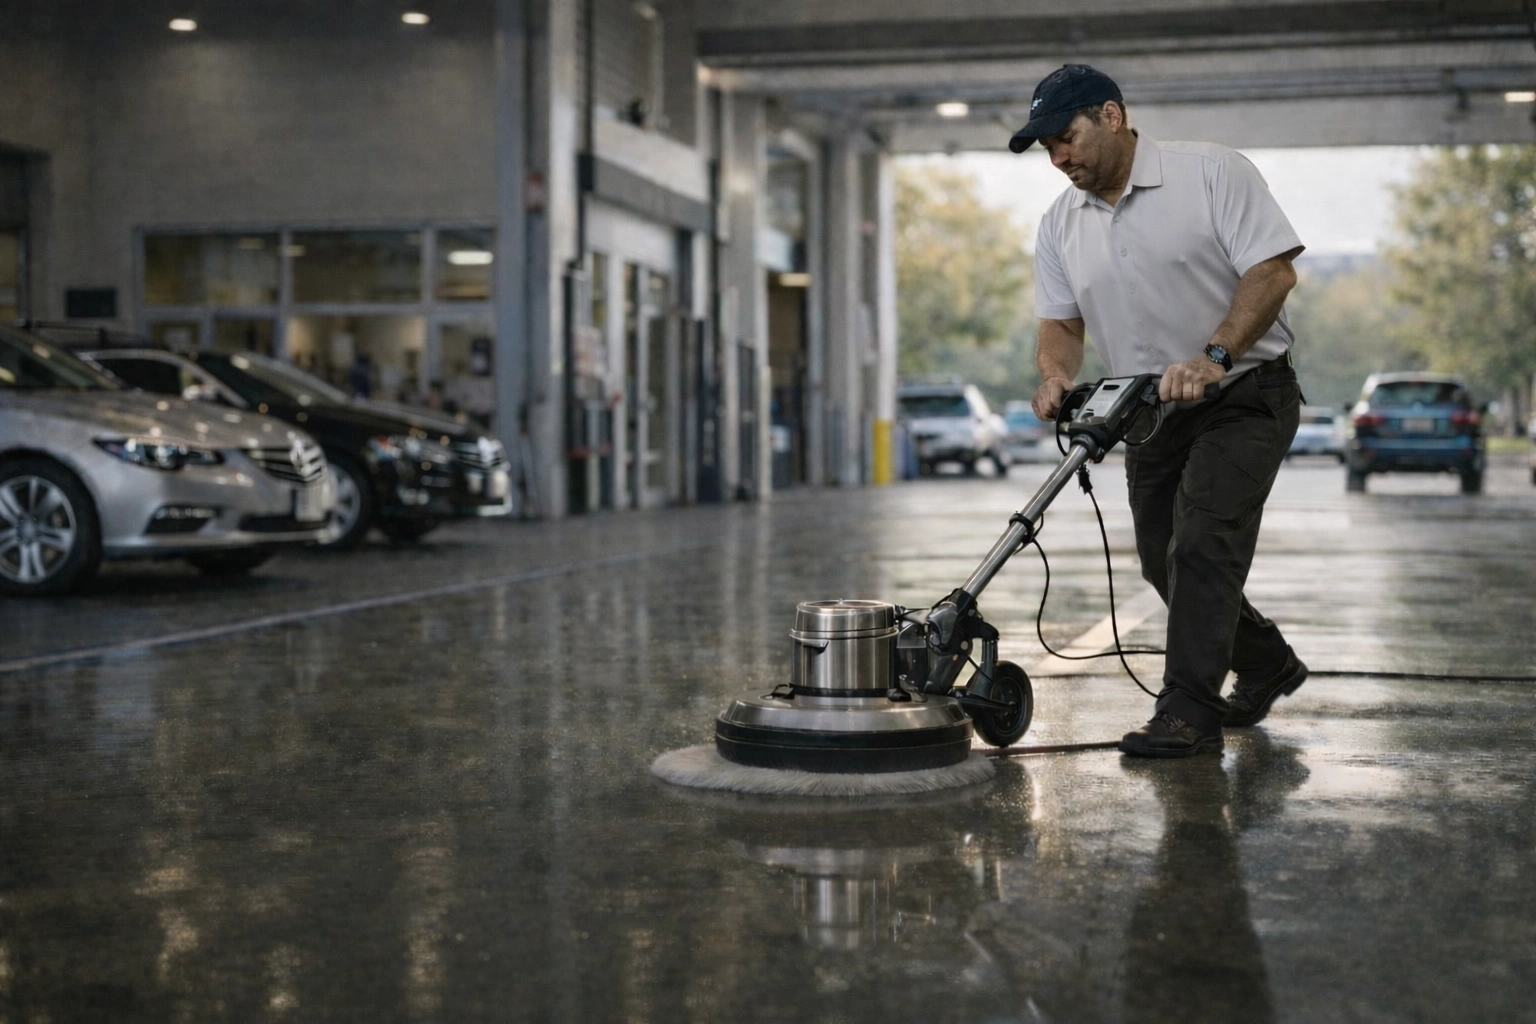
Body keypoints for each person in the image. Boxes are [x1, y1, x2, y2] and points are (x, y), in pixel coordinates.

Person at [1015, 64, 1309, 758]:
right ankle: (1266, 663)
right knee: (1161, 561)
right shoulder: (1061, 223)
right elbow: (1060, 323)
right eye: (1047, 150)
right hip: (1147, 410)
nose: (1059, 159)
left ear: (1111, 116)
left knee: (1203, 543)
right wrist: (1056, 375)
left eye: (1066, 138)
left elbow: (1273, 271)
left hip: (1243, 393)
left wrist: (1215, 357)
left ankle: (1188, 714)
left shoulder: (1209, 174)